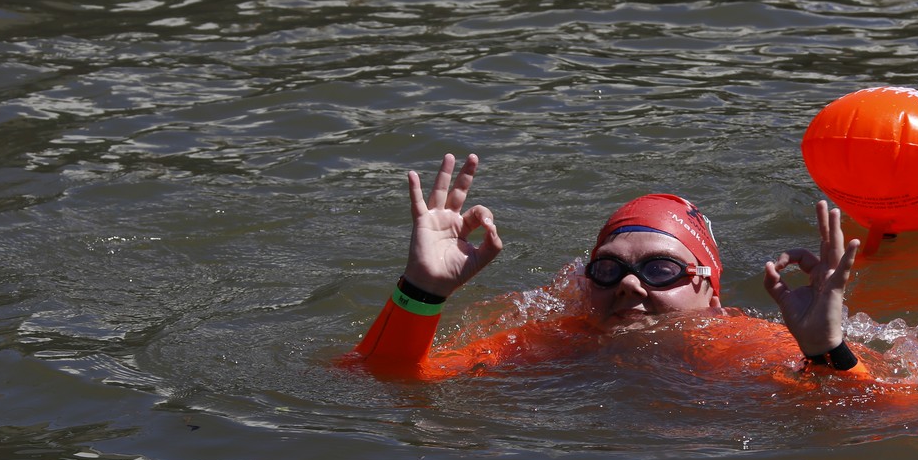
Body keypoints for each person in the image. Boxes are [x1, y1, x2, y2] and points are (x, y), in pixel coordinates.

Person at [351, 153, 872, 380]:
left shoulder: (754, 351)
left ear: (712, 295)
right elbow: (384, 382)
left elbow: (884, 419)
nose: (627, 284)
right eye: (607, 268)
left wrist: (826, 350)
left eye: (661, 270)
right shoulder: (548, 347)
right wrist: (422, 289)